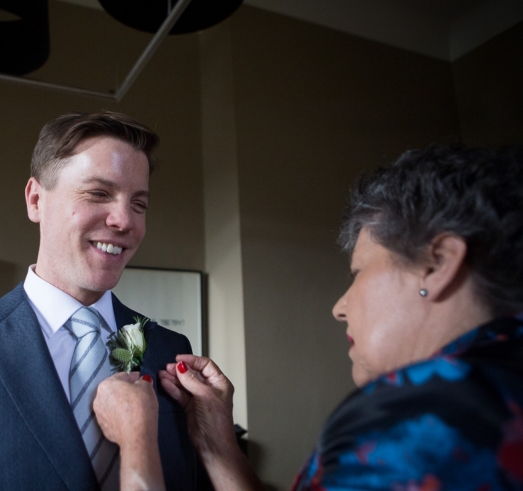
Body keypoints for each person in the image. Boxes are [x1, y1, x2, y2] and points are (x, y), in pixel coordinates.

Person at [94, 144, 523, 490]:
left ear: (437, 263)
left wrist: (136, 442)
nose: (340, 306)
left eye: (357, 273)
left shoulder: (416, 424)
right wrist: (217, 443)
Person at [0, 112, 202, 490]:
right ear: (35, 200)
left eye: (139, 204)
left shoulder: (169, 351)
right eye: (98, 193)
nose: (124, 220)